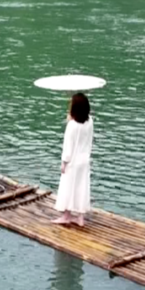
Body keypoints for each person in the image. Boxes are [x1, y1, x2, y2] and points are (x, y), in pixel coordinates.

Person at [52, 92, 93, 226]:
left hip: (73, 162)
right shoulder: (90, 121)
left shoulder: (72, 125)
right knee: (81, 187)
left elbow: (68, 147)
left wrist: (64, 162)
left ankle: (66, 216)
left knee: (68, 187)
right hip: (84, 160)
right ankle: (80, 217)